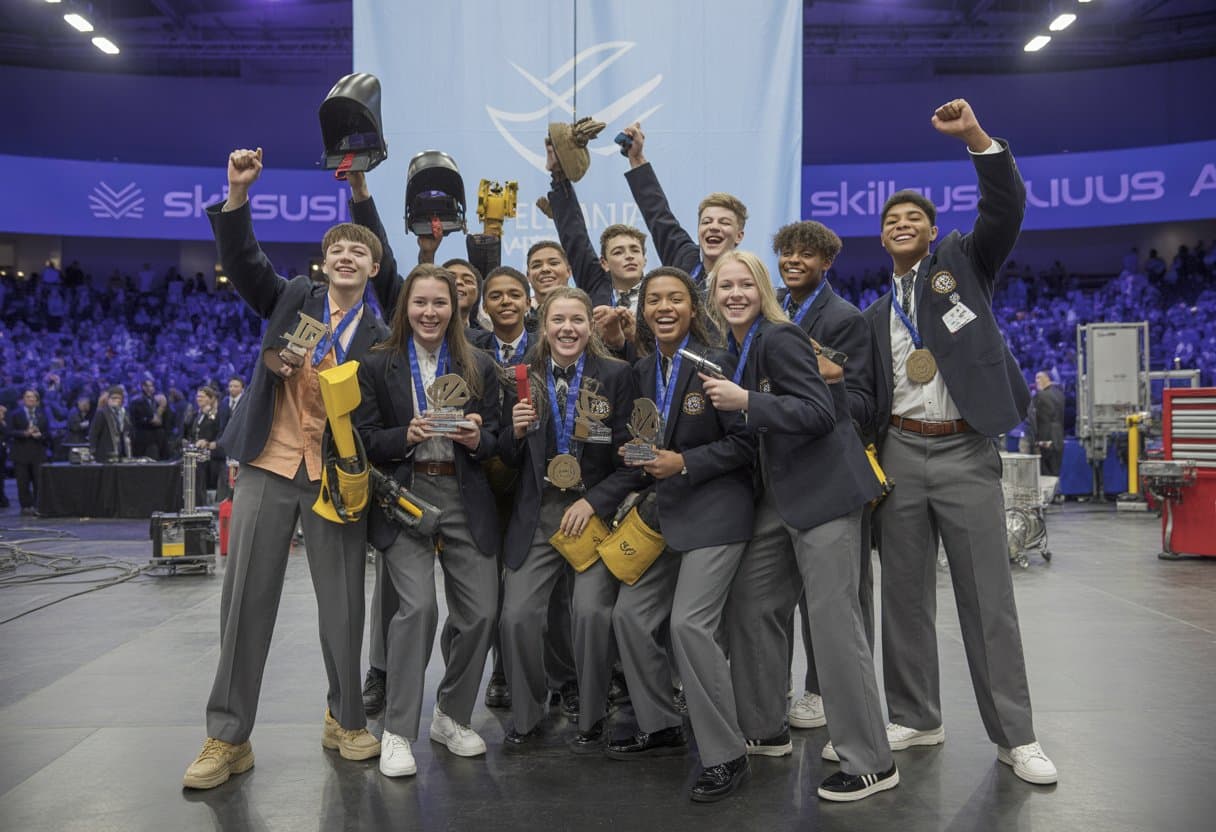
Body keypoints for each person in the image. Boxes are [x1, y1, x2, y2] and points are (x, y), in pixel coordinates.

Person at [859, 99, 1057, 786]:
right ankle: (916, 715)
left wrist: (974, 136)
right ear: (881, 238)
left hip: (964, 449)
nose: (902, 224)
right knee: (903, 596)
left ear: (934, 230)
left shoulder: (965, 263)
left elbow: (1005, 207)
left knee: (987, 598)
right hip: (899, 451)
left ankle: (1016, 736)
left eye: (913, 218)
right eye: (892, 220)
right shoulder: (874, 315)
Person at [182, 147, 388, 790]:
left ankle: (345, 719)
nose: (347, 255)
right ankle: (228, 735)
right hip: (270, 464)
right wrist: (237, 196)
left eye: (359, 250)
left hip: (335, 478)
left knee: (344, 606)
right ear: (325, 263)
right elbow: (247, 266)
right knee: (245, 601)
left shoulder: (383, 337)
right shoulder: (294, 296)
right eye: (337, 249)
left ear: (375, 266)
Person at [702, 251, 896, 802]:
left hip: (826, 491)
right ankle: (764, 727)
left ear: (763, 290)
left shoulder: (781, 336)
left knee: (835, 625)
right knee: (751, 602)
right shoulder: (740, 344)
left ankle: (872, 761)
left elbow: (820, 412)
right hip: (782, 494)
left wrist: (748, 401)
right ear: (713, 296)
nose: (734, 294)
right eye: (724, 286)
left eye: (744, 284)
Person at [607, 267, 757, 803]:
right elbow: (644, 438)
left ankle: (727, 754)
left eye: (675, 299)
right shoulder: (643, 371)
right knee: (628, 617)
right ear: (643, 310)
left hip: (717, 512)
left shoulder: (716, 363)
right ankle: (661, 724)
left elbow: (746, 446)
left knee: (689, 625)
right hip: (665, 514)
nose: (664, 307)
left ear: (694, 308)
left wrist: (683, 462)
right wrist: (638, 456)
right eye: (655, 300)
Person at [355, 264, 501, 777]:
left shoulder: (479, 363)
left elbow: (498, 438)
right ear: (405, 308)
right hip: (405, 494)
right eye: (420, 302)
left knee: (481, 612)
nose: (430, 312)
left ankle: (451, 715)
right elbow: (363, 439)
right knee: (417, 609)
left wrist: (478, 437)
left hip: (462, 493)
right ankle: (397, 731)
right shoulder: (378, 364)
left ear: (455, 308)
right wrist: (405, 436)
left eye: (440, 302)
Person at [497, 287, 637, 752]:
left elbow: (631, 460)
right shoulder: (520, 376)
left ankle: (592, 716)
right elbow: (503, 454)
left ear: (591, 326)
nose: (567, 328)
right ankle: (527, 714)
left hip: (592, 512)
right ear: (543, 325)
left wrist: (593, 502)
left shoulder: (616, 375)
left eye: (577, 319)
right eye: (558, 319)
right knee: (517, 616)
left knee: (592, 613)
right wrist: (514, 434)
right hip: (538, 511)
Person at [769, 221, 879, 733]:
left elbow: (863, 403)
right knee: (784, 596)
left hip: (827, 470)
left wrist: (821, 386)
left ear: (827, 262)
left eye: (806, 254)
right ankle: (785, 689)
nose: (794, 260)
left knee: (838, 604)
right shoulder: (771, 308)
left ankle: (826, 695)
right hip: (776, 469)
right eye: (787, 252)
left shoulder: (844, 318)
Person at [544, 138, 647, 350]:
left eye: (635, 250)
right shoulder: (596, 284)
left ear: (644, 259)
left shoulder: (657, 293)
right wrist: (559, 175)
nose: (629, 256)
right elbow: (576, 237)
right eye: (618, 252)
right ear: (604, 263)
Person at [619, 121, 746, 290]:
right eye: (706, 222)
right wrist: (636, 158)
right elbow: (657, 213)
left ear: (739, 236)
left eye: (724, 222)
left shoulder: (749, 277)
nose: (713, 227)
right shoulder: (684, 258)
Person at [6, 389, 51, 516]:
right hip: (21, 453)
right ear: (23, 399)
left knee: (39, 481)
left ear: (37, 400)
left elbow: (48, 434)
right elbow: (9, 432)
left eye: (33, 397)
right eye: (27, 397)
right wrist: (24, 433)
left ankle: (39, 505)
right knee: (23, 482)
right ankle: (26, 506)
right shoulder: (15, 414)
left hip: (38, 453)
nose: (30, 399)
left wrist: (40, 435)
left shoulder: (43, 414)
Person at [183, 386, 222, 491]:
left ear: (210, 399)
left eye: (202, 397)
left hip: (210, 456)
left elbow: (218, 431)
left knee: (205, 485)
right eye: (198, 396)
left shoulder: (215, 414)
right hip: (196, 454)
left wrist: (208, 443)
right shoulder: (197, 414)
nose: (199, 399)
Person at [1031, 371, 1065, 477]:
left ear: (1047, 378)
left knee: (1046, 473)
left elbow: (1033, 418)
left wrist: (1036, 439)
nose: (1036, 381)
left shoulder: (1040, 396)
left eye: (1039, 378)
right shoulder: (1060, 394)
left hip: (1044, 439)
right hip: (1059, 437)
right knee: (1056, 471)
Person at [130, 378, 170, 459]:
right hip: (144, 437)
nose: (149, 388)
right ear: (142, 387)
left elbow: (167, 418)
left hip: (159, 438)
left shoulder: (158, 401)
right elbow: (135, 420)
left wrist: (162, 407)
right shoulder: (137, 402)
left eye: (151, 386)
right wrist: (149, 420)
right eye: (146, 386)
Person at [89, 387, 131, 462]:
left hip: (121, 452)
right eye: (112, 398)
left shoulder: (124, 413)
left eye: (117, 398)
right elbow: (94, 433)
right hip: (106, 452)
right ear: (108, 399)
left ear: (122, 400)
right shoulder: (102, 413)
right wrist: (93, 450)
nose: (114, 400)